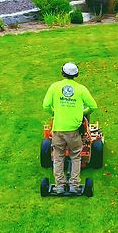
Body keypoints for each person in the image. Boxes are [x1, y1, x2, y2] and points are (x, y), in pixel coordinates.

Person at [42, 62, 98, 194]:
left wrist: (54, 112)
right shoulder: (81, 89)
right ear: (76, 75)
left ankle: (60, 186)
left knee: (58, 156)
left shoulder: (54, 87)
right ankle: (74, 185)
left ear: (62, 73)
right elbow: (93, 106)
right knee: (75, 156)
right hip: (74, 130)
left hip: (58, 129)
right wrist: (82, 113)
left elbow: (45, 105)